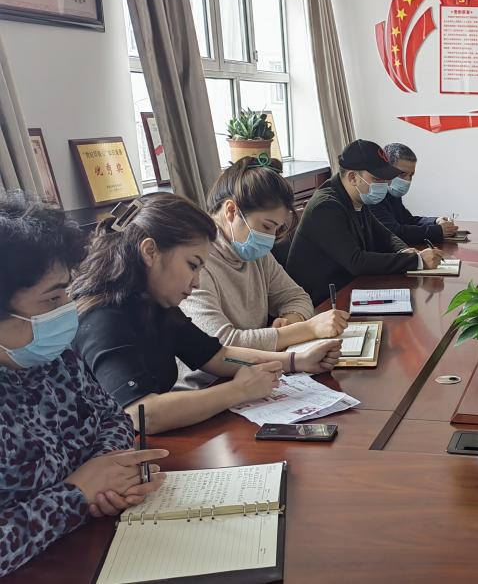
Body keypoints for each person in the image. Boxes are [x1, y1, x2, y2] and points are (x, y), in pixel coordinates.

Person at [71, 193, 340, 434]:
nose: (197, 282)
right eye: (192, 265)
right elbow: (143, 413)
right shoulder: (103, 319)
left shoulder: (155, 303)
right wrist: (238, 390)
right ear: (150, 252)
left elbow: (218, 356)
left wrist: (297, 360)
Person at [0, 191, 166, 576]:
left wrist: (107, 475)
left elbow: (113, 418)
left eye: (67, 291)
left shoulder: (55, 358)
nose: (68, 310)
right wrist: (77, 492)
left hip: (90, 546)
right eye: (51, 300)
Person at [177, 156, 350, 389]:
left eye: (276, 229)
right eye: (266, 226)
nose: (269, 238)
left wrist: (291, 319)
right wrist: (305, 329)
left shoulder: (253, 251)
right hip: (208, 386)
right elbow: (222, 345)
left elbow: (296, 296)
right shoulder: (197, 261)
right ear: (231, 210)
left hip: (257, 372)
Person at [286, 139, 444, 304]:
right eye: (378, 179)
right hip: (321, 301)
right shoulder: (326, 206)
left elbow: (385, 235)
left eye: (385, 179)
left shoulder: (357, 197)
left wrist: (404, 250)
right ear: (353, 177)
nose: (384, 185)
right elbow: (356, 261)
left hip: (350, 287)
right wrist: (417, 261)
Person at [367, 142, 457, 246]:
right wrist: (437, 231)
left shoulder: (393, 193)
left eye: (411, 175)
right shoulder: (374, 195)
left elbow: (409, 220)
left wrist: (436, 221)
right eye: (402, 174)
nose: (407, 180)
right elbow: (394, 232)